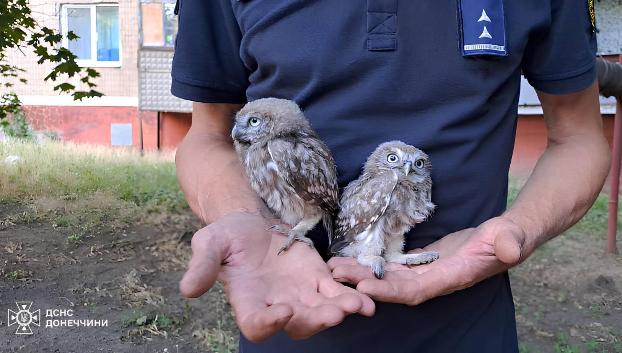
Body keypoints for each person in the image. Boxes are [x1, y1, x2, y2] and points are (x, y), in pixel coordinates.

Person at [171, 0, 610, 352]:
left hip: (467, 319)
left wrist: (518, 230)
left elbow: (578, 137)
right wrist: (245, 218)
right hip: (289, 308)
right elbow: (208, 136)